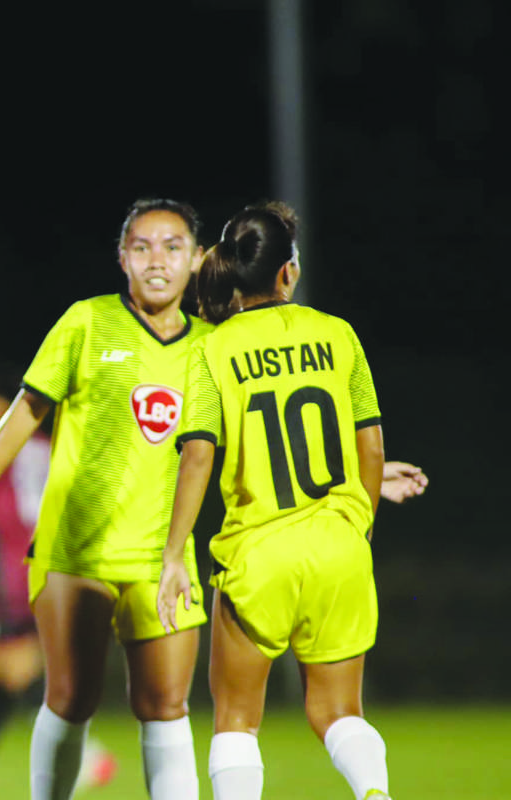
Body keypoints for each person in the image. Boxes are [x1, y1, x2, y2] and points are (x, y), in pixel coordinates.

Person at [0, 199, 211, 800]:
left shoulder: (213, 347)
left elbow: (241, 437)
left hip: (164, 557)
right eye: (143, 247)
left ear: (198, 260)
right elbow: (27, 411)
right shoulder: (86, 322)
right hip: (77, 554)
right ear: (123, 258)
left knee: (166, 705)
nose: (158, 260)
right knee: (71, 699)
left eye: (173, 246)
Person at [157, 202, 392, 800]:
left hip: (257, 552)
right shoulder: (338, 334)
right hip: (339, 542)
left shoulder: (211, 348)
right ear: (287, 272)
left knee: (236, 722)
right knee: (339, 712)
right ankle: (374, 793)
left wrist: (174, 554)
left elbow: (199, 456)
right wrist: (355, 525)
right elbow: (369, 446)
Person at [0, 361, 116, 798]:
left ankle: (83, 754)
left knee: (16, 673)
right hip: (11, 576)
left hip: (10, 578)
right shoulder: (33, 444)